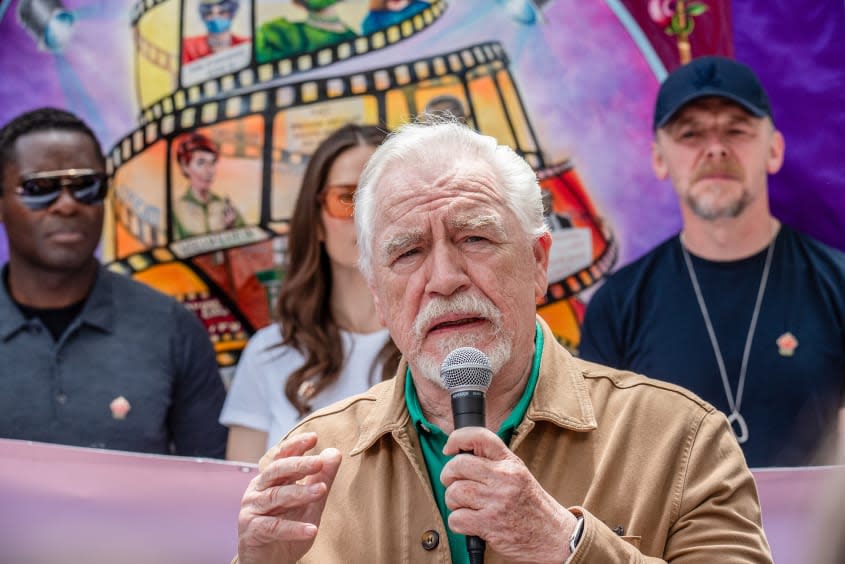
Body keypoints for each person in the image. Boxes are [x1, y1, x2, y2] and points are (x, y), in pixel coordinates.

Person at [233, 119, 772, 563]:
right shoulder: (316, 458)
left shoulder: (680, 440)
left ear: (538, 263)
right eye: (408, 253)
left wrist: (565, 545)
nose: (444, 278)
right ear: (378, 294)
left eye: (474, 238)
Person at [579, 56, 845, 468]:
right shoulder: (616, 307)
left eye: (736, 130)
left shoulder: (837, 284)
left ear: (773, 150)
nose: (716, 148)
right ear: (659, 159)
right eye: (690, 134)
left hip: (817, 532)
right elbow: (604, 466)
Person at [0, 107, 228, 457]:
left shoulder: (170, 328)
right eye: (40, 187)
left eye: (86, 186)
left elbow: (211, 487)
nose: (66, 205)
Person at [220, 124, 399, 463]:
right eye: (346, 198)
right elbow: (239, 502)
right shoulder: (268, 354)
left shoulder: (440, 344)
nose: (365, 217)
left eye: (383, 199)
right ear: (315, 220)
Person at [172, 131, 245, 239]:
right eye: (201, 162)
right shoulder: (177, 209)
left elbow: (249, 246)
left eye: (212, 162)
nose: (210, 170)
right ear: (184, 166)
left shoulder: (224, 206)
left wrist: (231, 229)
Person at [182, 0, 250, 64]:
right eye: (209, 13)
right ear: (203, 16)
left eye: (222, 12)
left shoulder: (246, 44)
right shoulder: (188, 46)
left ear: (231, 14)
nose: (215, 17)